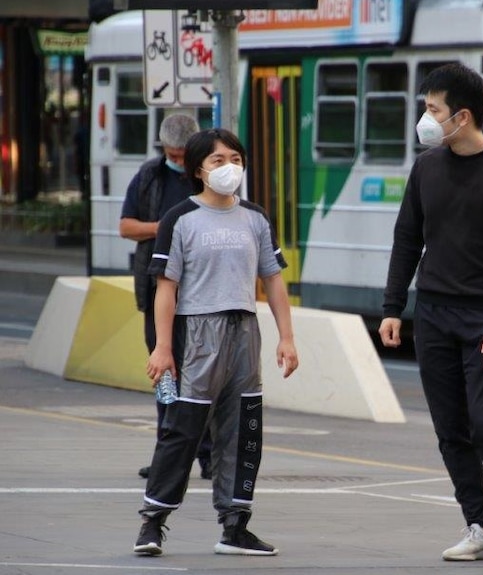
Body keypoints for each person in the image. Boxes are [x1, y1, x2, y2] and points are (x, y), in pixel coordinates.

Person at [379, 63, 483, 564]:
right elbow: (407, 238)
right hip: (434, 316)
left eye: (433, 109)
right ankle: (477, 524)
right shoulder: (426, 167)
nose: (425, 119)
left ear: (462, 116)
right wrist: (392, 308)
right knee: (450, 428)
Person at [132, 128, 299, 557]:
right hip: (196, 333)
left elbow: (273, 280)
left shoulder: (255, 217)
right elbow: (165, 289)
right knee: (182, 429)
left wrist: (287, 337)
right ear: (198, 170)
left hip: (244, 330)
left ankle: (235, 525)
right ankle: (152, 522)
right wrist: (163, 347)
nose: (229, 167)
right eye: (219, 160)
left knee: (243, 430)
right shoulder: (180, 219)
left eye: (236, 158)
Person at [119, 113, 213, 481]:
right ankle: (168, 454)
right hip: (157, 289)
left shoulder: (207, 176)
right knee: (166, 375)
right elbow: (126, 226)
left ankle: (207, 455)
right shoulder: (148, 176)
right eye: (170, 153)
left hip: (201, 294)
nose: (176, 159)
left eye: (181, 154)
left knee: (201, 378)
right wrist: (164, 227)